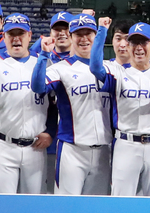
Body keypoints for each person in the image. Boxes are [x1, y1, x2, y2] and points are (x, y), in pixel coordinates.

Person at [0, 13, 54, 194]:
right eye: (10, 34)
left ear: (29, 36)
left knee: (33, 204)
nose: (16, 38)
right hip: (2, 145)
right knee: (1, 205)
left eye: (20, 33)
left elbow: (54, 103)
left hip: (35, 147)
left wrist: (51, 132)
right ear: (3, 37)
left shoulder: (44, 63)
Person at [36, 14, 114, 196]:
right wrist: (43, 55)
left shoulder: (110, 68)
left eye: (88, 33)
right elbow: (38, 87)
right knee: (66, 207)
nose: (84, 38)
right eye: (78, 34)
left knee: (96, 210)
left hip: (103, 150)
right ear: (71, 38)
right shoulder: (60, 68)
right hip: (73, 149)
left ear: (96, 36)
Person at [106, 23, 150, 196]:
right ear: (128, 45)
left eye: (144, 43)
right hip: (125, 143)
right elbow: (96, 68)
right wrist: (101, 30)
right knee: (121, 200)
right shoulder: (118, 72)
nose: (139, 48)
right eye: (134, 42)